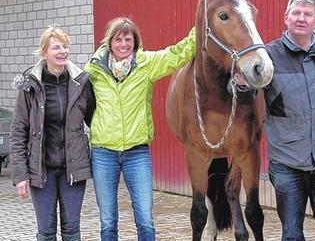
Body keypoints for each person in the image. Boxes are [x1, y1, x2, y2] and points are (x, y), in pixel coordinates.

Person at [84, 17, 195, 241]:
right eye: (118, 39)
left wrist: (201, 25)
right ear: (109, 42)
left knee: (145, 219)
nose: (123, 44)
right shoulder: (94, 70)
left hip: (137, 153)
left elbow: (178, 53)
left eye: (128, 39)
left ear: (135, 42)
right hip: (103, 153)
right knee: (107, 221)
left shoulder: (147, 64)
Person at [264, 0, 315, 241]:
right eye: (296, 13)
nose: (301, 18)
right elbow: (244, 92)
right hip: (287, 161)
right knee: (292, 234)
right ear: (285, 17)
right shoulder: (268, 56)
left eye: (308, 14)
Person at [9, 25, 96, 241]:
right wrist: (20, 175)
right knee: (46, 232)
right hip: (42, 171)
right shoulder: (30, 87)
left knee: (72, 230)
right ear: (44, 53)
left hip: (73, 169)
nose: (62, 51)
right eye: (56, 47)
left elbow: (96, 120)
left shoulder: (81, 83)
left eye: (65, 46)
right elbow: (18, 132)